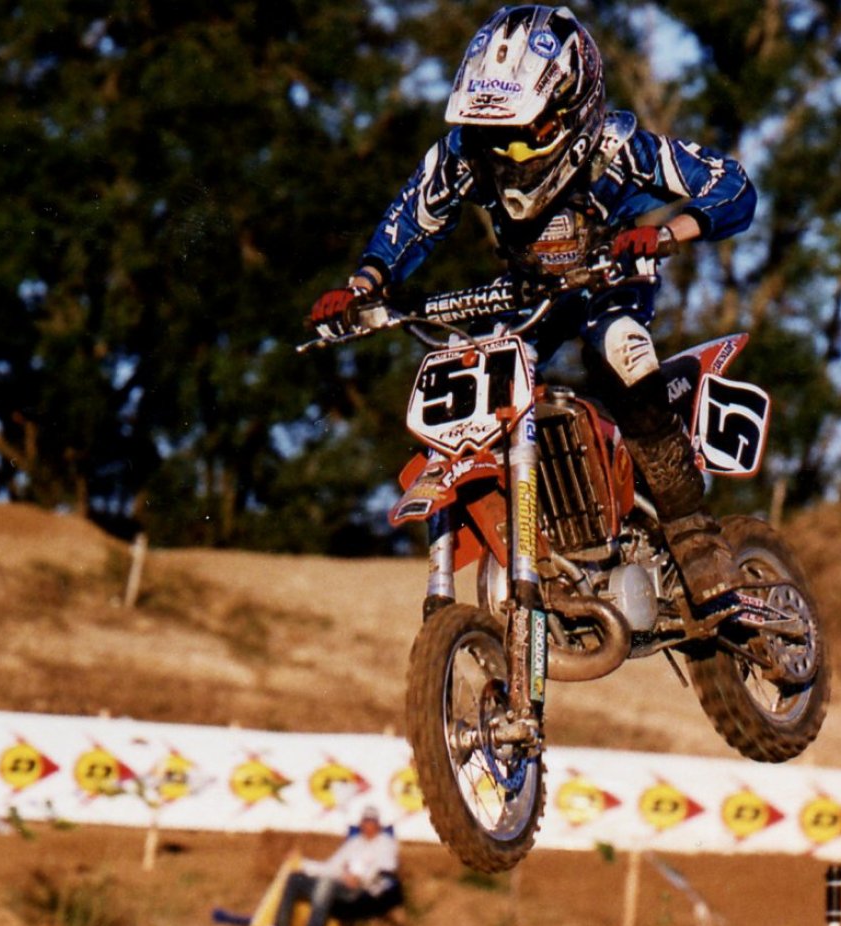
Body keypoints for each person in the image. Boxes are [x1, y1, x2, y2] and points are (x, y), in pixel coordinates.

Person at [308, 5, 758, 604]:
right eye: (498, 136)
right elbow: (410, 220)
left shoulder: (616, 147)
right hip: (527, 293)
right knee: (476, 383)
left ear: (573, 108)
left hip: (609, 277)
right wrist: (364, 284)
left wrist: (668, 233)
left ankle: (694, 535)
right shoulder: (464, 152)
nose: (510, 151)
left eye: (525, 135)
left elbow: (731, 186)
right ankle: (543, 533)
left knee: (621, 348)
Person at [253, 805, 401, 926]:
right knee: (295, 879)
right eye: (365, 821)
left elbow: (386, 870)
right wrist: (301, 862)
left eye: (371, 822)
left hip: (361, 889)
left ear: (378, 825)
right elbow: (331, 867)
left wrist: (360, 878)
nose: (367, 825)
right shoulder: (354, 843)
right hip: (339, 883)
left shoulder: (385, 844)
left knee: (326, 883)